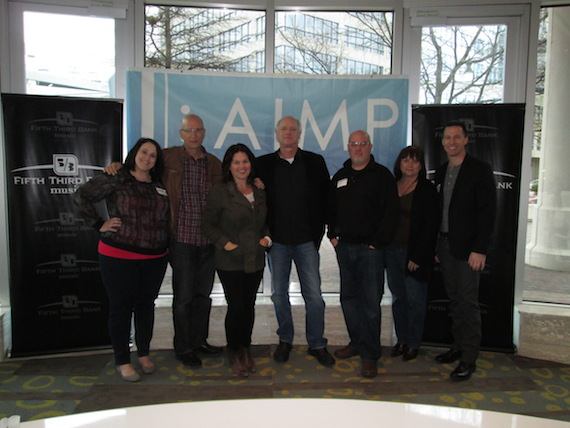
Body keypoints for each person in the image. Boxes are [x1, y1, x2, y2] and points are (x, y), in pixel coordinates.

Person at [105, 114, 223, 368]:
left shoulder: (214, 164)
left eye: (198, 130)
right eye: (188, 130)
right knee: (184, 297)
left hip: (208, 241)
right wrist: (117, 165)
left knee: (203, 296)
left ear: (204, 133)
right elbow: (139, 169)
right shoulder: (167, 157)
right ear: (181, 134)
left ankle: (199, 340)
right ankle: (183, 347)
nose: (193, 134)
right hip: (180, 240)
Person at [74, 138, 169, 382]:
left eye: (153, 155)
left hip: (155, 257)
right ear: (134, 153)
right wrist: (98, 224)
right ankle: (122, 360)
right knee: (121, 307)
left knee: (146, 306)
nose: (147, 158)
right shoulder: (118, 176)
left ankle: (144, 353)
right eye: (144, 152)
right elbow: (81, 196)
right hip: (119, 255)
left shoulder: (159, 184)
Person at [255, 116, 335, 367]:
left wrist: (317, 236)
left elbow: (326, 199)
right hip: (277, 242)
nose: (288, 133)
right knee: (279, 295)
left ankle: (317, 343)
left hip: (305, 242)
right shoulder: (263, 165)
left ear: (299, 134)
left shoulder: (314, 162)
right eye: (284, 129)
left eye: (293, 129)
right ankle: (285, 339)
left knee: (314, 297)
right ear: (277, 134)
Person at [328, 130, 399, 378]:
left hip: (371, 251)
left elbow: (391, 213)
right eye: (353, 144)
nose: (358, 148)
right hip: (345, 248)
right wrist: (332, 235)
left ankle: (370, 355)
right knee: (348, 298)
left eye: (362, 144)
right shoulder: (340, 176)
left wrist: (377, 243)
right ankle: (357, 342)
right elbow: (330, 207)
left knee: (370, 303)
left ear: (370, 146)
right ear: (348, 147)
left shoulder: (382, 176)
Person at [434, 121, 496, 381]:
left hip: (469, 250)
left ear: (466, 140)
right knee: (455, 301)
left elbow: (488, 213)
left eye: (456, 137)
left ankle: (469, 359)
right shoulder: (441, 170)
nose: (452, 142)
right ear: (443, 142)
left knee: (469, 304)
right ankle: (458, 347)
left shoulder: (479, 170)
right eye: (447, 137)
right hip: (446, 246)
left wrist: (480, 249)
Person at [202, 144, 270, 377]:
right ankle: (233, 350)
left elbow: (265, 221)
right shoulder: (220, 192)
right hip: (230, 260)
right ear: (229, 166)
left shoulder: (259, 190)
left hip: (255, 259)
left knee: (248, 306)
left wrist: (267, 238)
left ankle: (245, 348)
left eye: (245, 161)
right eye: (236, 162)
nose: (242, 166)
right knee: (236, 306)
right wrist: (225, 243)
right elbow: (208, 224)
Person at [385, 146, 440, 362]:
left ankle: (414, 343)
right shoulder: (392, 185)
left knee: (415, 301)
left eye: (414, 161)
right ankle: (402, 340)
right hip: (391, 252)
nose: (409, 164)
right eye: (405, 160)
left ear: (421, 165)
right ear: (399, 163)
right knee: (398, 298)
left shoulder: (427, 190)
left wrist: (417, 256)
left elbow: (430, 226)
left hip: (415, 255)